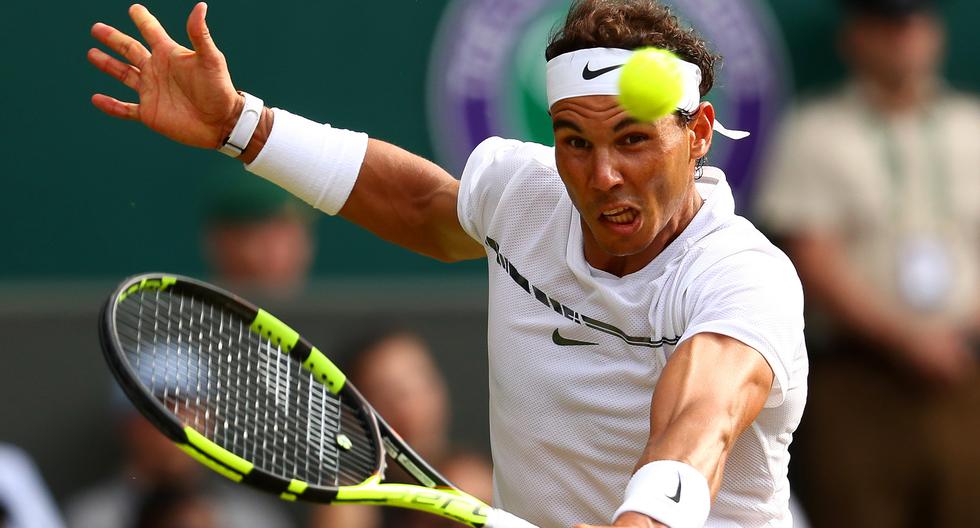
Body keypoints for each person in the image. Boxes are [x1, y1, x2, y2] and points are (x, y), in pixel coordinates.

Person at [87, 1, 808, 526]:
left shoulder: (741, 277)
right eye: (575, 142)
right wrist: (239, 125)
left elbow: (697, 422)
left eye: (633, 140)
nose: (603, 175)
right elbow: (417, 205)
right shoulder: (525, 196)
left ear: (699, 133)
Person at [754, 0, 980, 525]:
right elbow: (811, 256)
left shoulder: (972, 127)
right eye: (885, 24)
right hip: (857, 380)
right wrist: (906, 341)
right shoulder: (816, 132)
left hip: (963, 370)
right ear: (854, 37)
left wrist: (959, 332)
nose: (903, 37)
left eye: (915, 22)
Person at [310, 330, 493, 528]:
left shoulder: (476, 481)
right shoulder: (350, 507)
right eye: (388, 394)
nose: (410, 406)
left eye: (419, 381)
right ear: (352, 417)